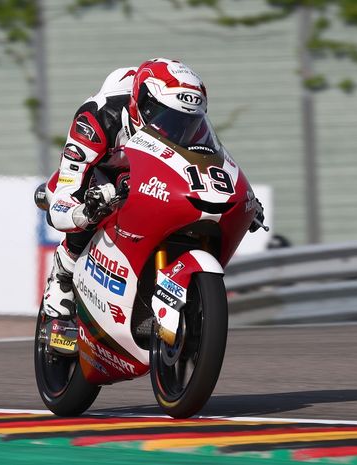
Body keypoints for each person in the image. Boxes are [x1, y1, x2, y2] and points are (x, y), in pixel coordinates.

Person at [41, 57, 265, 319]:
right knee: (95, 197)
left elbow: (210, 163)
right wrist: (84, 210)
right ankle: (63, 274)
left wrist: (243, 201)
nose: (175, 125)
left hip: (150, 176)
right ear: (139, 104)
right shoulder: (96, 119)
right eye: (163, 115)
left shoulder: (189, 128)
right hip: (103, 174)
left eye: (185, 119)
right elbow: (64, 193)